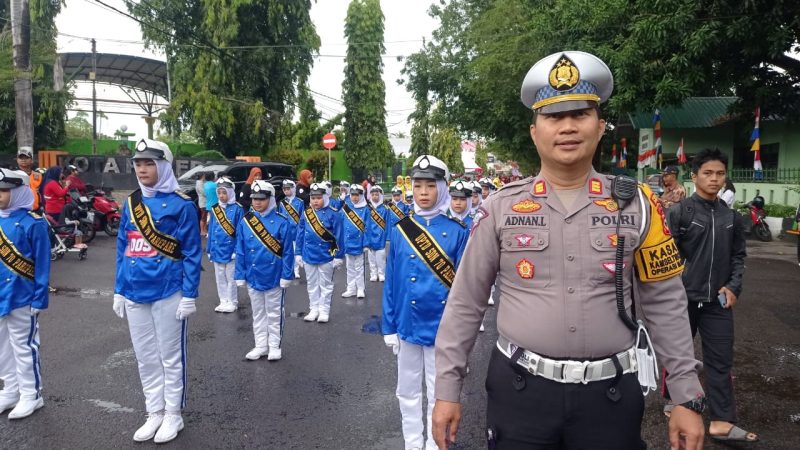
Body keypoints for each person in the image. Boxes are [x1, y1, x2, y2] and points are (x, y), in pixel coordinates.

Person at [432, 51, 706, 450]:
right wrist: (447, 389)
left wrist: (686, 395)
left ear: (600, 126)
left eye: (579, 114)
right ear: (535, 131)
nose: (567, 127)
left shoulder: (638, 204)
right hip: (520, 393)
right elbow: (465, 303)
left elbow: (665, 301)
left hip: (610, 398)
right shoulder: (499, 208)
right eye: (553, 116)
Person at [112, 139, 201, 444]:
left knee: (170, 357)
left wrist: (190, 293)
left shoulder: (182, 204)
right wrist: (119, 289)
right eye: (138, 163)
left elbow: (191, 252)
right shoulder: (131, 203)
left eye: (149, 163)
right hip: (135, 291)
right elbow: (123, 247)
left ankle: (173, 414)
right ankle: (154, 412)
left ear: (163, 166)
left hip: (168, 291)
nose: (142, 169)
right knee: (145, 357)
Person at [665, 148, 755, 442]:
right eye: (708, 173)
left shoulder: (732, 217)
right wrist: (671, 289)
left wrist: (733, 286)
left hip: (717, 301)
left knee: (720, 360)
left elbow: (738, 256)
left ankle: (721, 421)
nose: (714, 179)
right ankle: (674, 401)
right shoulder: (680, 212)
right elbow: (666, 256)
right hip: (684, 299)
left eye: (719, 174)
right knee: (679, 356)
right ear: (694, 176)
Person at [382, 155, 468, 450]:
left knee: (437, 391)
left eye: (430, 185)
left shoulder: (458, 233)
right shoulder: (400, 228)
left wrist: (461, 331)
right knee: (406, 389)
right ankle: (412, 441)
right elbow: (391, 282)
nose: (422, 192)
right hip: (407, 324)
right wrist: (389, 325)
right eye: (417, 185)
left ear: (442, 188)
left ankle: (434, 442)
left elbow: (464, 290)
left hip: (441, 328)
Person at [0, 169, 50, 419]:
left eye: (4, 190)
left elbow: (42, 264)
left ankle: (32, 394)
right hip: (0, 295)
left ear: (18, 191)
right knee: (2, 348)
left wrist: (40, 297)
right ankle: (10, 390)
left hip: (22, 295)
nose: (0, 195)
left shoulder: (34, 223)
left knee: (23, 345)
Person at [235, 180, 294, 361]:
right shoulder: (246, 221)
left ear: (271, 199)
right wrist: (239, 274)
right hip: (253, 276)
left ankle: (274, 346)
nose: (257, 202)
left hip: (274, 276)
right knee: (258, 313)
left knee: (274, 312)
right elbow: (240, 249)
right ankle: (260, 345)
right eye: (254, 199)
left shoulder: (282, 222)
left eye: (261, 198)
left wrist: (287, 274)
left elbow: (287, 252)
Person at [295, 183, 344, 323]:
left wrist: (338, 256)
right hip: (309, 254)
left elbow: (339, 237)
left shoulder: (334, 214)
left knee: (326, 285)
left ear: (325, 197)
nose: (315, 201)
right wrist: (298, 253)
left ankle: (324, 310)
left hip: (326, 256)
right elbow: (300, 234)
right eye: (312, 198)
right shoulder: (306, 213)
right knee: (311, 284)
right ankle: (313, 309)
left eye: (318, 198)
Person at [208, 177, 244, 313]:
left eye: (224, 193)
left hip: (230, 250)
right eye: (219, 193)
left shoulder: (237, 209)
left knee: (231, 277)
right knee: (219, 277)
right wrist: (210, 249)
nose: (222, 196)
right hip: (217, 249)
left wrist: (236, 250)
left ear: (230, 193)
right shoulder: (215, 209)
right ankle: (223, 300)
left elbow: (240, 232)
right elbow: (211, 229)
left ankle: (232, 301)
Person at [340, 183, 369, 299]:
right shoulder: (346, 208)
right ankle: (351, 288)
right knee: (349, 267)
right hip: (348, 242)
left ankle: (360, 288)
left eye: (357, 195)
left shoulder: (366, 209)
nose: (354, 198)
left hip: (359, 243)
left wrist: (366, 243)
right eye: (352, 195)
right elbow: (340, 222)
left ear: (362, 196)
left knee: (359, 268)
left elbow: (368, 227)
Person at [278, 180, 305, 279]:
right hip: (285, 230)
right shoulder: (282, 203)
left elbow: (302, 217)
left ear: (293, 189)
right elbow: (280, 216)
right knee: (286, 251)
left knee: (295, 251)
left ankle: (296, 270)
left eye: (288, 189)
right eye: (284, 189)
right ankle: (287, 269)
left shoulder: (300, 202)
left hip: (296, 231)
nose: (286, 191)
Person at [366, 185, 389, 282]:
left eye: (377, 195)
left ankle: (382, 273)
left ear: (380, 196)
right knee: (371, 258)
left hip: (381, 237)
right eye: (373, 194)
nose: (375, 196)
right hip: (370, 237)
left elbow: (387, 224)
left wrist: (387, 237)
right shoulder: (367, 209)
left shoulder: (385, 209)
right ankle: (373, 274)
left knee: (381, 258)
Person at [196, 171, 208, 236]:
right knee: (203, 217)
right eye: (203, 175)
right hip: (202, 202)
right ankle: (202, 231)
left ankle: (205, 229)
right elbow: (203, 192)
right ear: (202, 176)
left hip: (204, 202)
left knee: (205, 216)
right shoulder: (199, 183)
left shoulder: (201, 183)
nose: (204, 177)